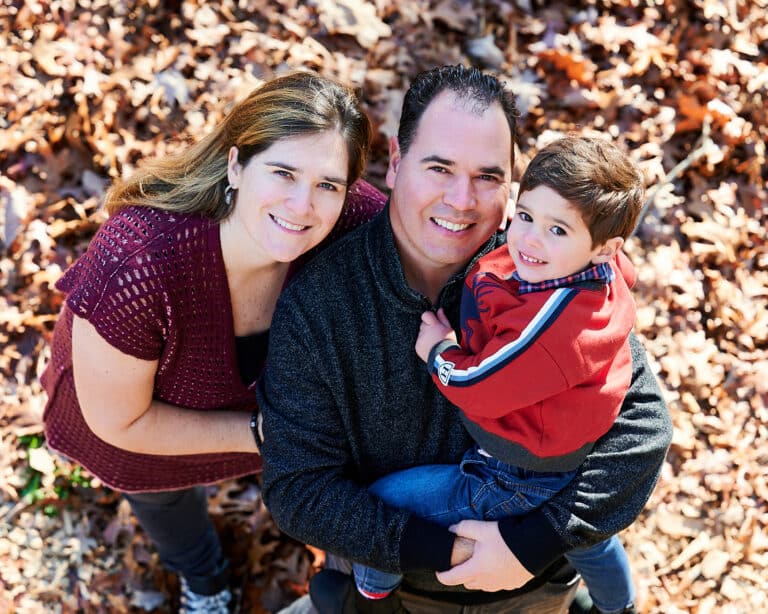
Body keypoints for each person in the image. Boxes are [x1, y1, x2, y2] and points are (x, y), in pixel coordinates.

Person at [257, 65, 672, 614]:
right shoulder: (322, 303)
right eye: (439, 167)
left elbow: (642, 430)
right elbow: (299, 490)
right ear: (396, 163)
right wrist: (453, 551)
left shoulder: (543, 270)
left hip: (538, 584)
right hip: (401, 593)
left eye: (487, 177)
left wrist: (530, 544)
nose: (462, 200)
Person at [40, 71, 386, 614]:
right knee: (166, 503)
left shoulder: (352, 223)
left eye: (327, 184)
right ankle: (205, 582)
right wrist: (265, 433)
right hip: (147, 424)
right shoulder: (139, 265)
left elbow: (432, 250)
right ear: (235, 165)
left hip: (279, 417)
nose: (303, 205)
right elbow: (120, 422)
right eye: (283, 172)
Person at [351, 136, 645, 614]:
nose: (528, 239)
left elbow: (481, 386)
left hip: (516, 472)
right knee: (589, 540)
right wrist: (543, 230)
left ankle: (370, 595)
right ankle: (618, 604)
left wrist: (440, 352)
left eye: (557, 231)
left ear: (602, 248)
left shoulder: (555, 326)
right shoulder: (586, 271)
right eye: (526, 216)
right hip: (561, 450)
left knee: (388, 502)